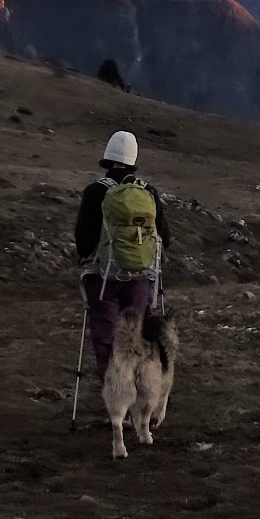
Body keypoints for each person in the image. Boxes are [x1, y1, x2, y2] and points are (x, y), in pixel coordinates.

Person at [75, 130, 171, 378]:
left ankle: (116, 404)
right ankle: (139, 398)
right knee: (135, 337)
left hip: (103, 277)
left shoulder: (95, 192)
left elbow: (83, 239)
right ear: (133, 161)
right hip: (141, 277)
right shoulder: (148, 192)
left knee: (106, 339)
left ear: (107, 158)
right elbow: (165, 238)